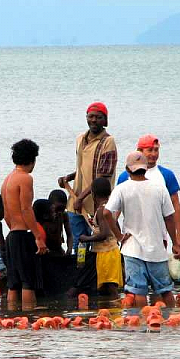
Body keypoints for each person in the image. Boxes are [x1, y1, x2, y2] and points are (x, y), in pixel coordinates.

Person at [104, 151, 180, 308]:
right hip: (156, 249)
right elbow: (169, 218)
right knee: (165, 290)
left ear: (127, 169)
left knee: (139, 291)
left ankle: (140, 326)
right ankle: (173, 325)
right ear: (146, 169)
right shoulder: (159, 188)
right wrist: (175, 243)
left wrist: (119, 236)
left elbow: (106, 213)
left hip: (132, 248)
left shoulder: (122, 188)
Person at [58, 102, 117, 253]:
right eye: (91, 116)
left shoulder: (108, 142)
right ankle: (79, 272)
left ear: (105, 121)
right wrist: (68, 178)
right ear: (86, 118)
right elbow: (82, 168)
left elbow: (102, 177)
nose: (94, 120)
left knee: (99, 244)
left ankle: (93, 273)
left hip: (96, 206)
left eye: (98, 117)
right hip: (76, 203)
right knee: (79, 243)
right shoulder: (80, 139)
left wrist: (81, 198)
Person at [1, 139, 48, 310]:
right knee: (29, 281)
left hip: (12, 235)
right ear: (32, 159)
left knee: (13, 283)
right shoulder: (25, 178)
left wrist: (14, 228)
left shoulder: (7, 180)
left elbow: (6, 213)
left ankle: (12, 318)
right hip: (22, 235)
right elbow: (26, 208)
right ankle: (29, 318)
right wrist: (37, 237)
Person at [117, 134, 180, 252]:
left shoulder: (166, 175)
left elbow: (175, 206)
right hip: (132, 239)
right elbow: (115, 209)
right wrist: (116, 235)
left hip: (158, 238)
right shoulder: (125, 176)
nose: (154, 154)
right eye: (150, 150)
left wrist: (178, 237)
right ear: (139, 151)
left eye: (156, 150)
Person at [78, 177, 123, 297]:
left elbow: (104, 234)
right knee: (106, 287)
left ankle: (116, 310)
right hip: (113, 250)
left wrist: (86, 238)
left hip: (106, 253)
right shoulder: (110, 207)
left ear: (93, 194)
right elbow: (115, 226)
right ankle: (112, 310)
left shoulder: (101, 210)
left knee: (110, 286)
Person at [44, 189, 73, 255]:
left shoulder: (64, 215)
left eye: (63, 209)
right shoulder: (44, 215)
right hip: (45, 249)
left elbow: (69, 234)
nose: (59, 212)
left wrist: (69, 249)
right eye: (58, 208)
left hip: (57, 249)